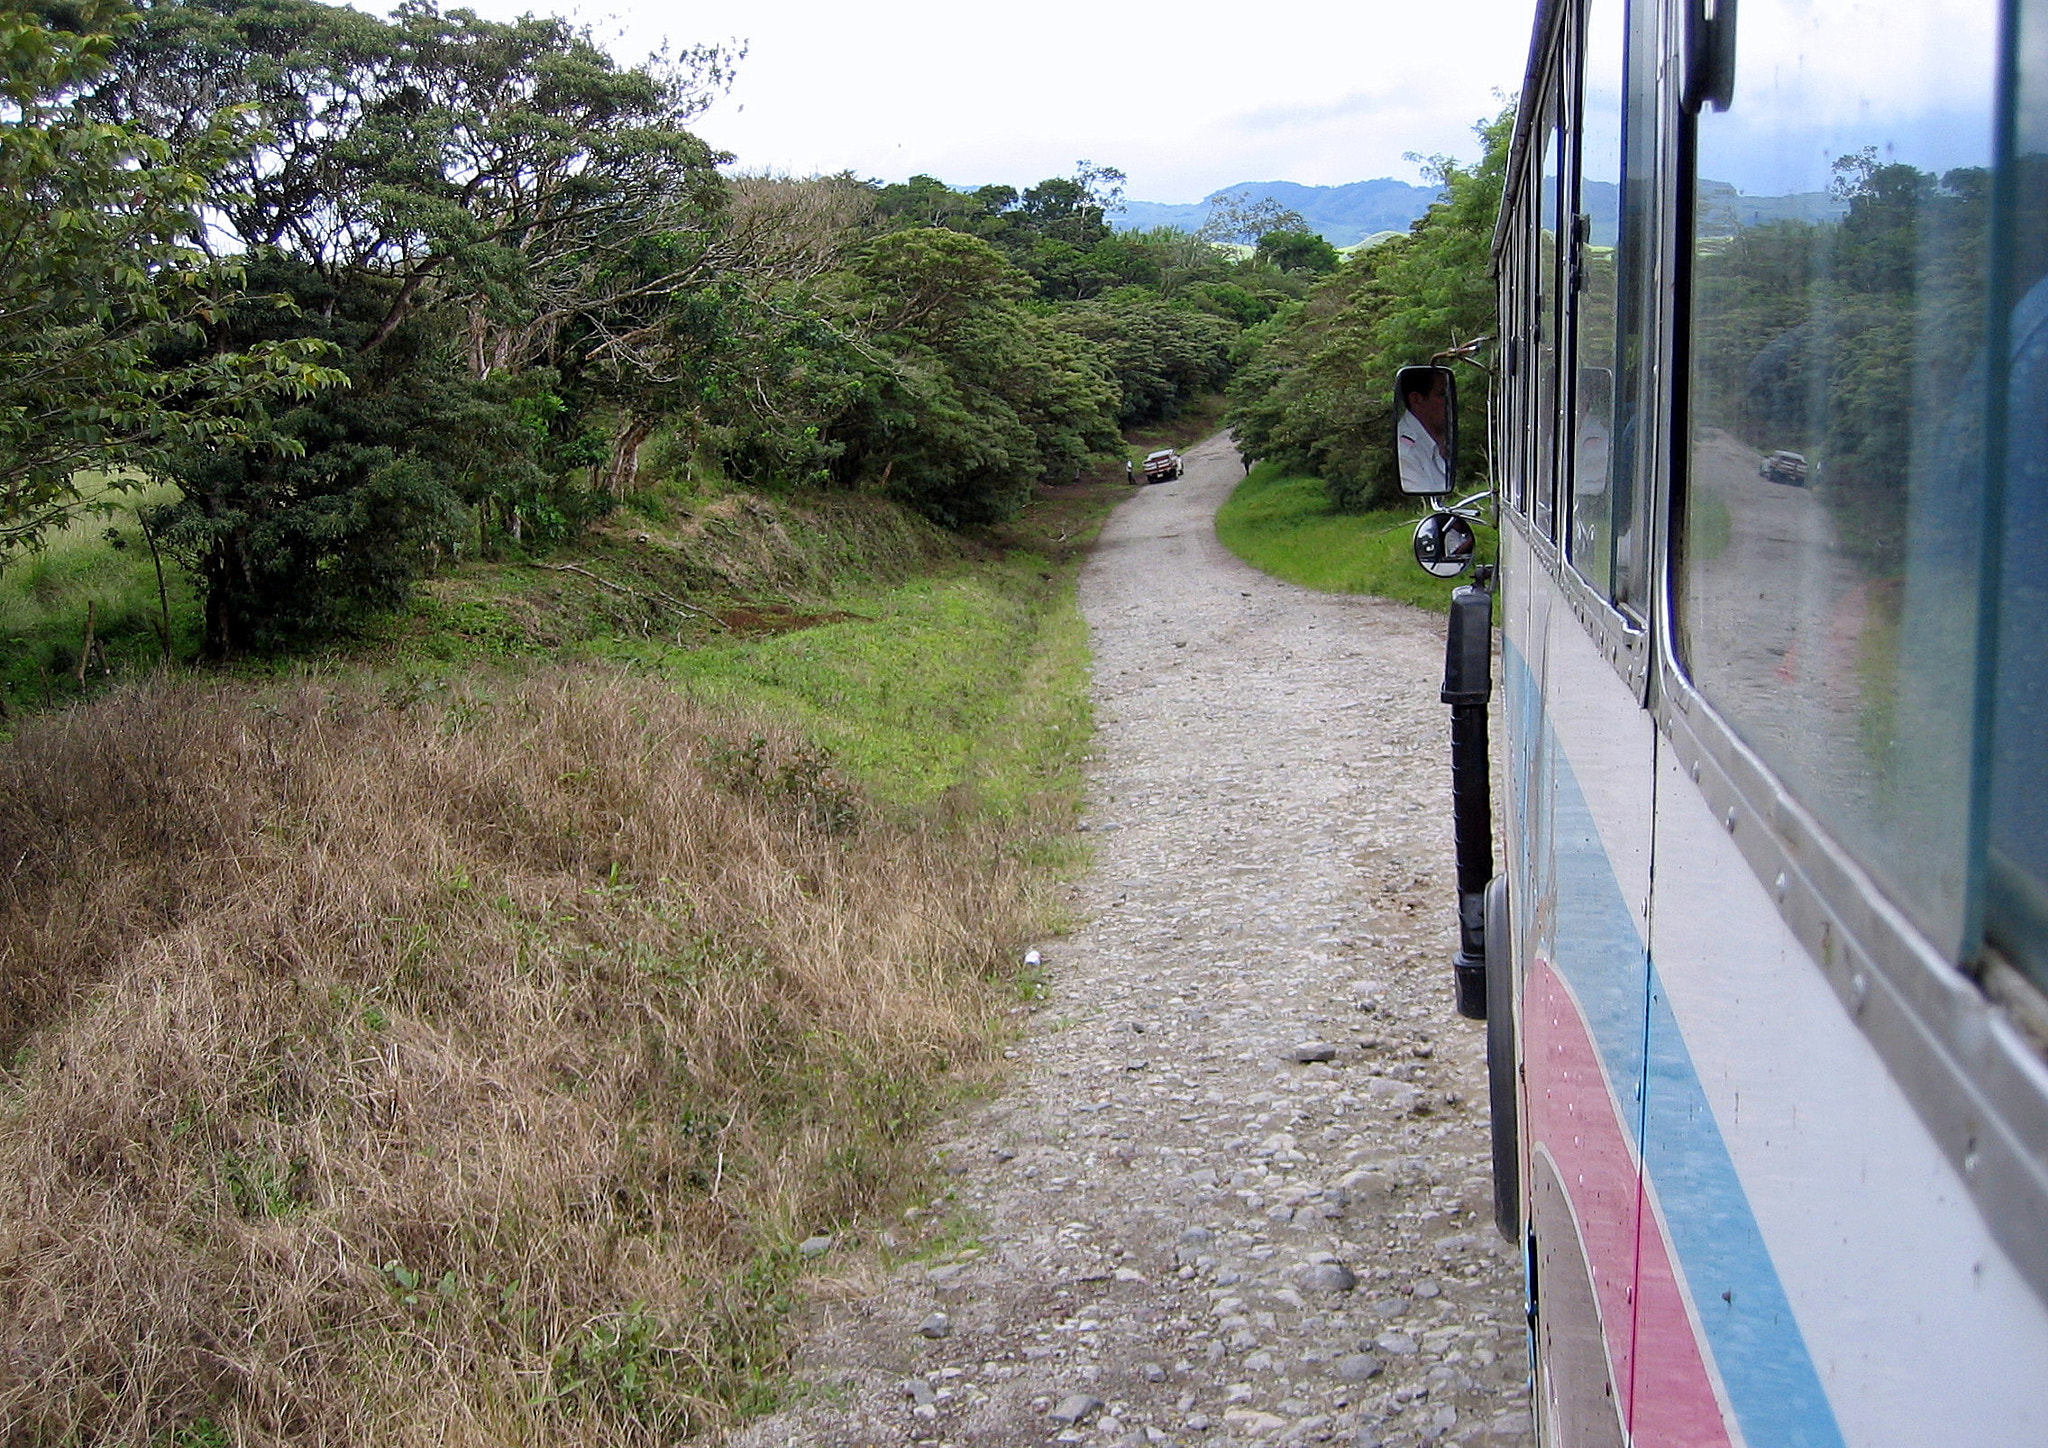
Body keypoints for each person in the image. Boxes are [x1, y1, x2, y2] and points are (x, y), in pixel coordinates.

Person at [1397, 369, 1452, 494]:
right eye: (1442, 394)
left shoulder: (1437, 436)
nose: (1449, 402)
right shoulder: (1405, 453)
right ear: (1416, 400)